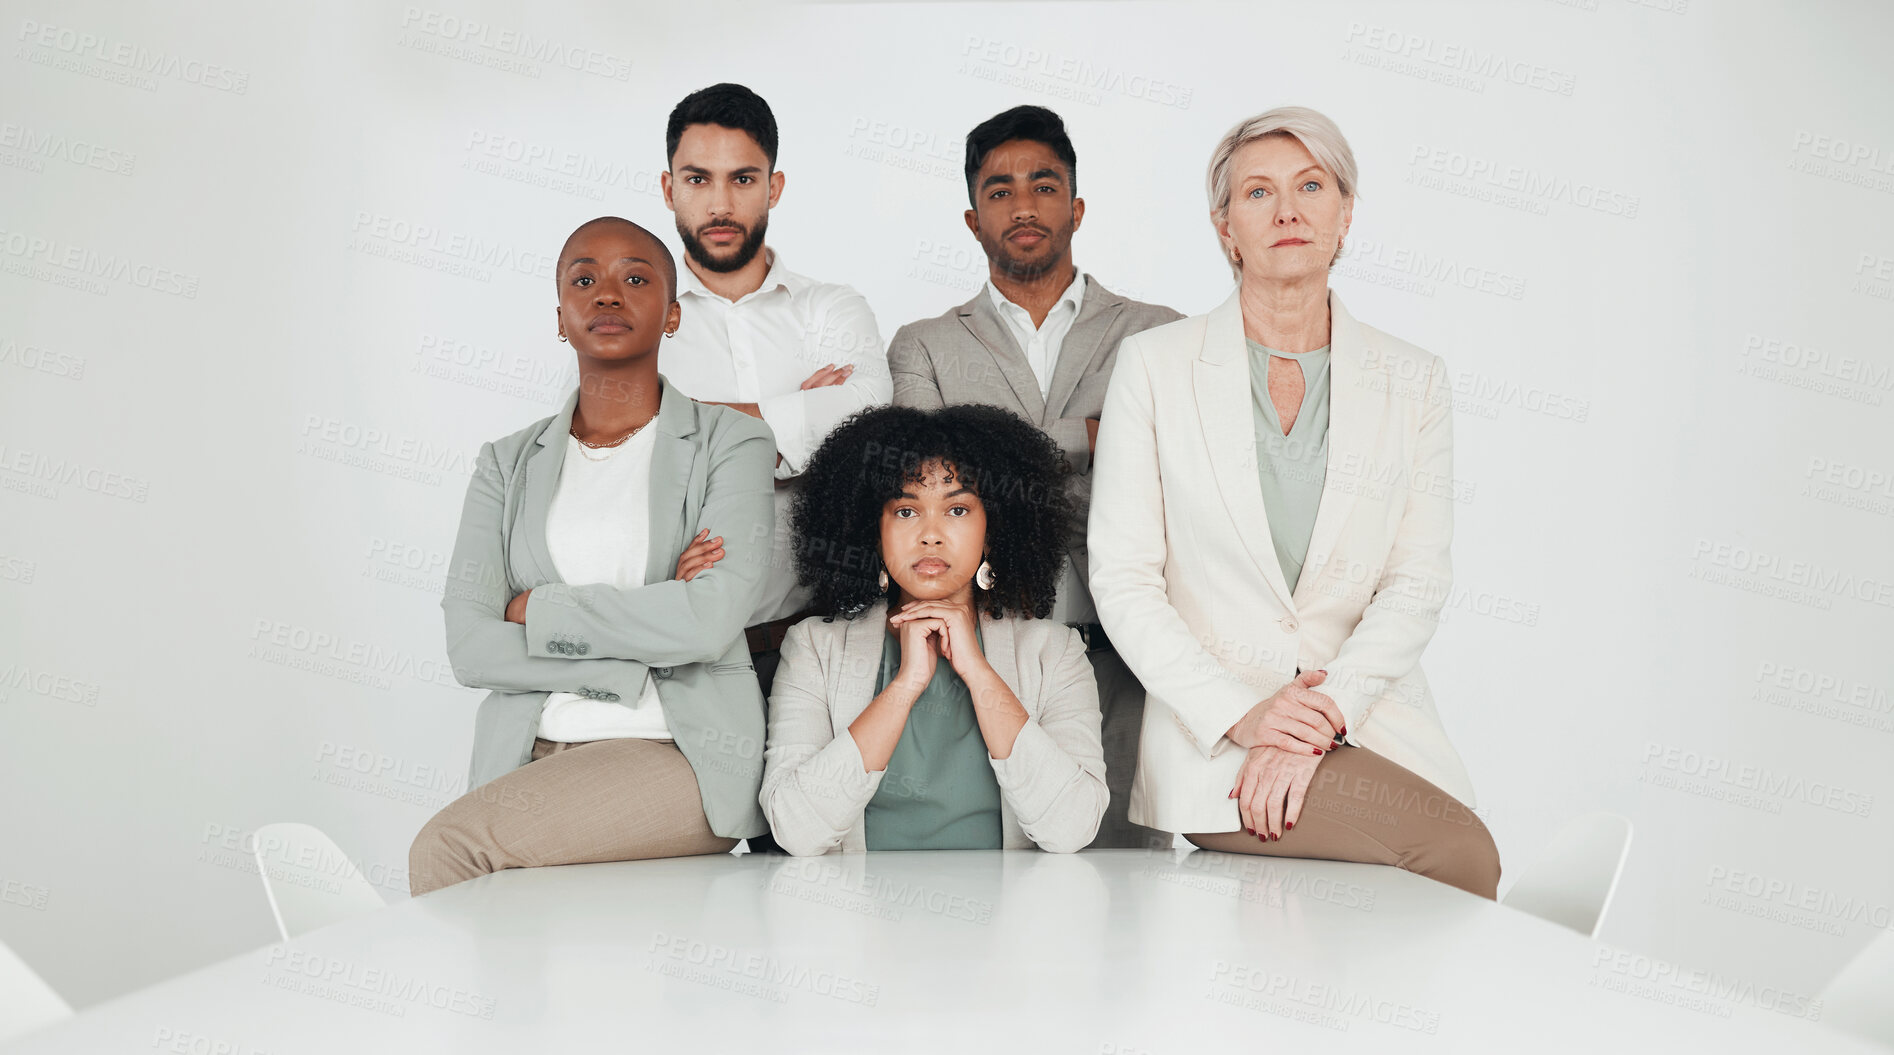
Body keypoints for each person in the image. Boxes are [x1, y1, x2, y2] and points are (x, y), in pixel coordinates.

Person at [1087, 107, 1502, 898]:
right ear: (1225, 228)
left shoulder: (1415, 379)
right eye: (1258, 192)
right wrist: (1245, 718)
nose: (1288, 209)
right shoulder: (1154, 366)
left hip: (1364, 720)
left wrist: (1320, 718)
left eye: (1311, 186)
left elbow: (1416, 581)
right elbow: (1123, 579)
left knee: (1414, 881)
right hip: (1216, 745)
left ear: (1345, 216)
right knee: (1462, 857)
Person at [409, 216, 776, 896]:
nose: (607, 295)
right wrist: (643, 634)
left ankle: (466, 1010)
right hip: (527, 752)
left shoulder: (734, 443)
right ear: (560, 317)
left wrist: (536, 609)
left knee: (450, 849)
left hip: (676, 751)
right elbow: (471, 645)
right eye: (585, 280)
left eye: (635, 279)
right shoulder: (506, 463)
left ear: (671, 315)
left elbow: (707, 620)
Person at [887, 105, 1182, 850]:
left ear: (1076, 207)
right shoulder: (923, 344)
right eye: (999, 189)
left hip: (1128, 642)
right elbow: (931, 474)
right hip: (990, 648)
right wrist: (1094, 439)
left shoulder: (1159, 333)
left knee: (1120, 872)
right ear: (971, 217)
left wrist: (989, 448)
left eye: (1044, 185)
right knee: (991, 875)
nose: (1023, 204)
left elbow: (1180, 471)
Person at [760, 404, 1108, 855]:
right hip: (858, 914)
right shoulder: (812, 646)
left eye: (958, 509)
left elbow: (1073, 829)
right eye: (906, 511)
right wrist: (905, 686)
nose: (930, 534)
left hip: (1009, 915)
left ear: (994, 528)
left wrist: (978, 673)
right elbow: (797, 832)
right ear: (874, 530)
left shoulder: (1054, 651)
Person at [657, 82, 892, 706]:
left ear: (774, 188)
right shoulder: (638, 324)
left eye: (742, 179)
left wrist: (693, 431)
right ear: (669, 188)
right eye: (698, 179)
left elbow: (864, 424)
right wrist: (795, 419)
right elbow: (625, 449)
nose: (720, 203)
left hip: (823, 648)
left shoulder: (830, 307)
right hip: (683, 659)